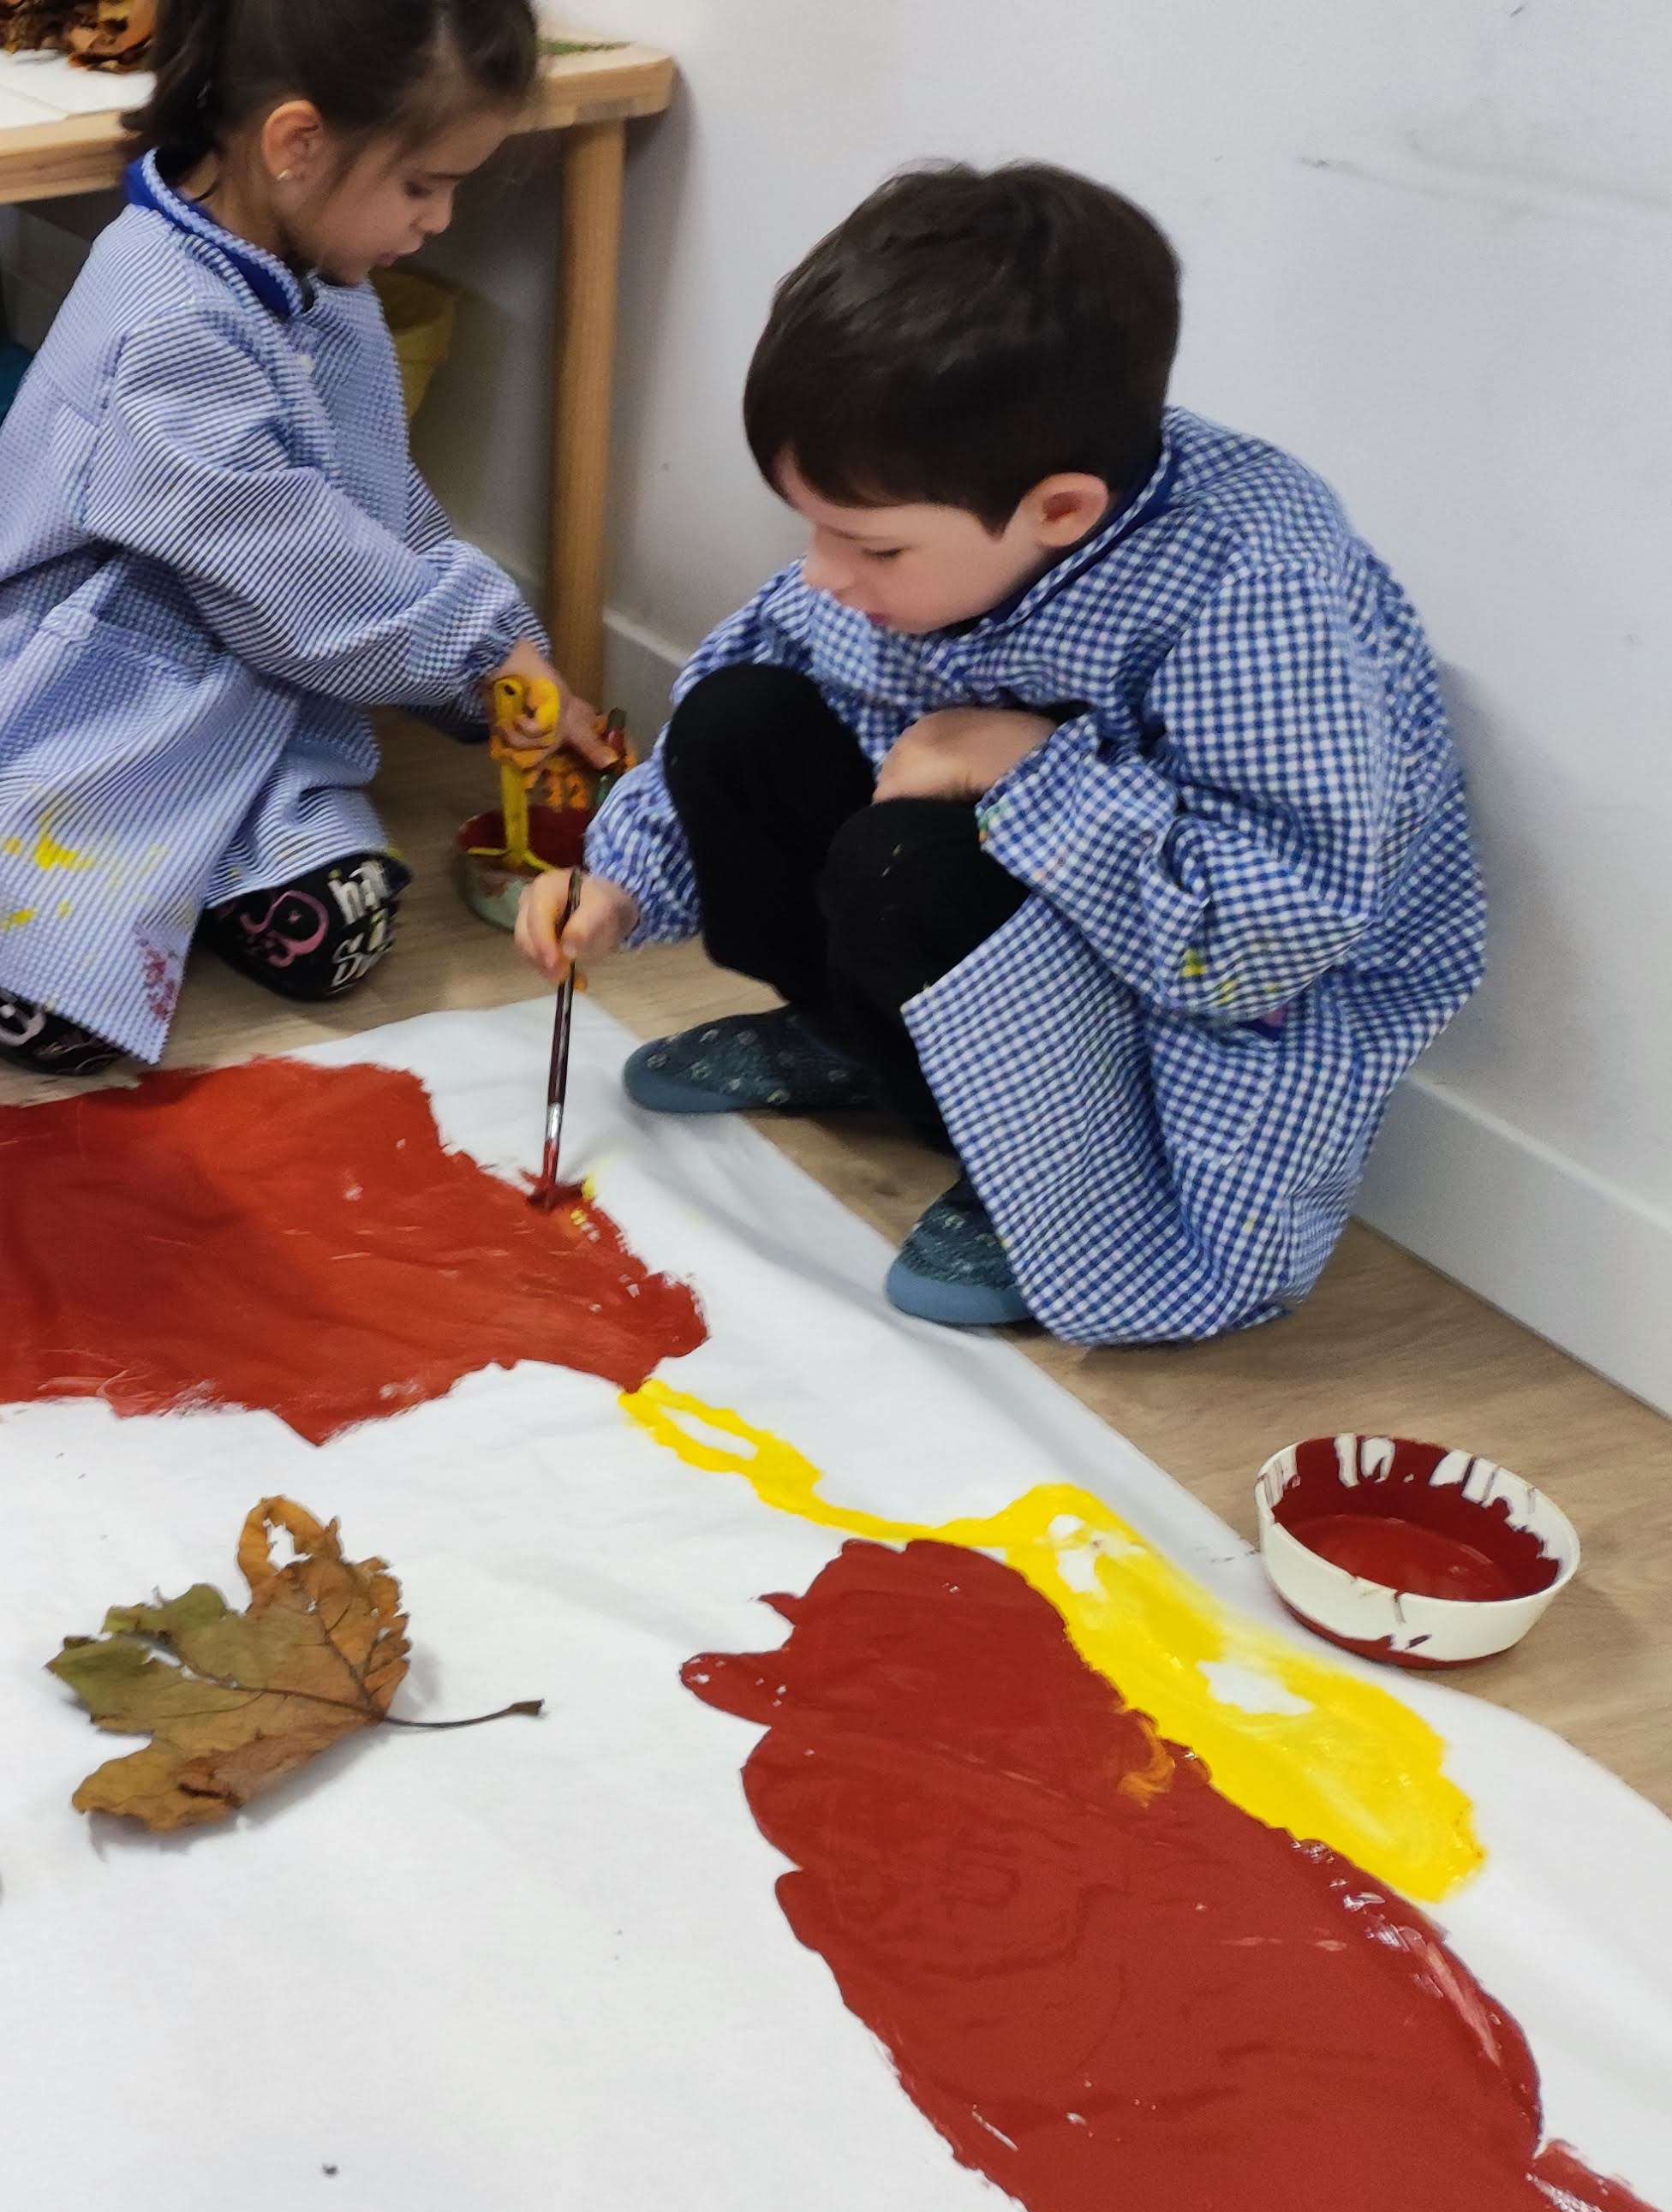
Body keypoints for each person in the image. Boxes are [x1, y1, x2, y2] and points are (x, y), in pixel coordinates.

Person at [525, 164, 1486, 1337]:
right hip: (1011, 903)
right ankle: (856, 1039)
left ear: (1063, 512)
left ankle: (1036, 1172)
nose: (826, 574)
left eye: (869, 548)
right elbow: (759, 658)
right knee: (741, 721)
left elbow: (1265, 941)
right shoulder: (955, 496)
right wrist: (620, 883)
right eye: (812, 527)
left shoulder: (1256, 590)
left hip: (1186, 994)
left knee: (903, 863)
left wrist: (1033, 768)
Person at [0, 0, 595, 1076]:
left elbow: (376, 504)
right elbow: (295, 565)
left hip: (242, 695)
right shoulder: (170, 322)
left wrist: (498, 664)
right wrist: (476, 651)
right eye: (424, 185)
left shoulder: (324, 282)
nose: (442, 220)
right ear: (298, 144)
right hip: (74, 707)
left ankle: (197, 871)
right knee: (53, 1023)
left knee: (344, 937)